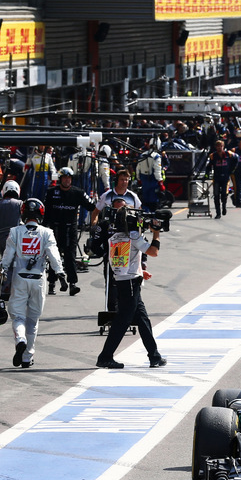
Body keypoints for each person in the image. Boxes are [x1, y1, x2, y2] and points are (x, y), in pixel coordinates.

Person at [95, 205, 166, 369]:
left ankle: (154, 356)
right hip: (130, 283)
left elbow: (126, 260)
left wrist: (141, 272)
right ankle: (105, 356)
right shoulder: (133, 237)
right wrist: (156, 233)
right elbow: (153, 251)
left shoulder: (114, 237)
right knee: (123, 320)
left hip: (124, 280)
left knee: (142, 319)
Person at [0, 199, 66, 368]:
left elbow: (7, 256)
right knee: (33, 319)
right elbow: (53, 253)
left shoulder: (15, 232)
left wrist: (2, 271)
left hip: (20, 278)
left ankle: (20, 339)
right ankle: (27, 356)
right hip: (38, 279)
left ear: (23, 213)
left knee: (18, 316)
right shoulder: (47, 233)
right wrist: (60, 274)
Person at [43, 168, 93, 294]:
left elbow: (92, 206)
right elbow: (46, 212)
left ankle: (72, 284)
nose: (67, 180)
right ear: (60, 179)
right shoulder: (51, 192)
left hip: (71, 228)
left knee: (70, 255)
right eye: (64, 178)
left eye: (69, 178)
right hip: (55, 228)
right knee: (55, 256)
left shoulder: (78, 193)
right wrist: (43, 228)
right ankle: (52, 283)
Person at [135, 140, 165, 210]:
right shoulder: (157, 156)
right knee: (154, 203)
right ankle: (153, 218)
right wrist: (161, 183)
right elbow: (157, 171)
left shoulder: (142, 155)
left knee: (145, 202)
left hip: (144, 181)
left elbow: (137, 169)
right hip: (153, 182)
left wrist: (138, 179)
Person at [209, 140, 233, 218]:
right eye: (218, 146)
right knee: (216, 195)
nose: (219, 148)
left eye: (221, 146)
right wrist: (206, 174)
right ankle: (218, 213)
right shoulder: (213, 155)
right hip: (216, 178)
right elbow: (209, 166)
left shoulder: (228, 154)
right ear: (216, 147)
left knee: (224, 194)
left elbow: (236, 158)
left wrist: (232, 169)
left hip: (225, 178)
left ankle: (224, 207)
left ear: (223, 147)